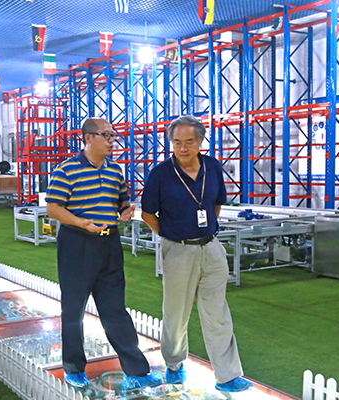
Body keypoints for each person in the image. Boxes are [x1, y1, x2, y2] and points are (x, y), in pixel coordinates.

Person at [46, 117, 162, 391]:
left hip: (109, 244)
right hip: (77, 244)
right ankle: (74, 368)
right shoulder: (66, 170)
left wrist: (125, 210)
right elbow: (53, 208)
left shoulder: (114, 171)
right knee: (73, 309)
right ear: (88, 138)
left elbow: (122, 200)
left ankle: (137, 371)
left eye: (113, 135)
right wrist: (80, 222)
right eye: (106, 135)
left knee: (115, 310)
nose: (112, 141)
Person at [141, 115, 252, 393]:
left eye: (189, 141)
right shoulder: (160, 174)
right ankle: (174, 364)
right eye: (177, 142)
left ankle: (227, 375)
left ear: (200, 142)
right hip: (178, 250)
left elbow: (216, 204)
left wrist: (206, 230)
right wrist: (170, 235)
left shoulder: (212, 167)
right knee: (176, 313)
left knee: (217, 312)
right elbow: (147, 214)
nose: (182, 148)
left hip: (211, 248)